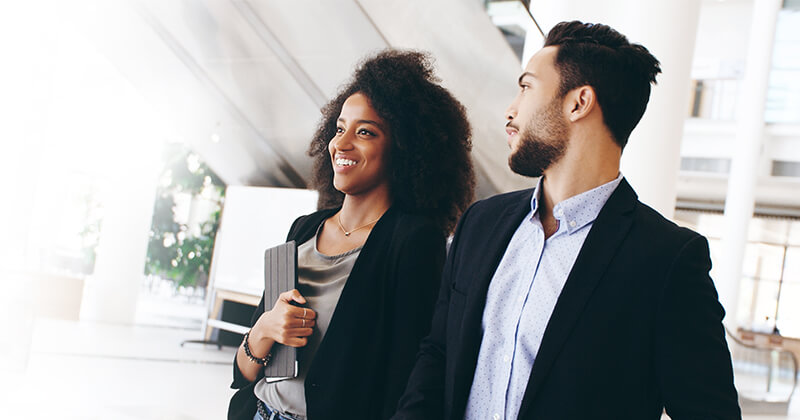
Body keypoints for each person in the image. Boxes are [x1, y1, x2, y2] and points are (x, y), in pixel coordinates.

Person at [393, 21, 741, 420]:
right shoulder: (481, 223)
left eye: (526, 87)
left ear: (578, 103)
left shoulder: (668, 260)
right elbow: (438, 353)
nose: (511, 109)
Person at [227, 49, 475, 420]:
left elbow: (404, 382)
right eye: (340, 128)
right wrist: (263, 329)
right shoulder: (303, 229)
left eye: (365, 132)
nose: (341, 144)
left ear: (405, 148)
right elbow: (244, 373)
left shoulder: (413, 242)